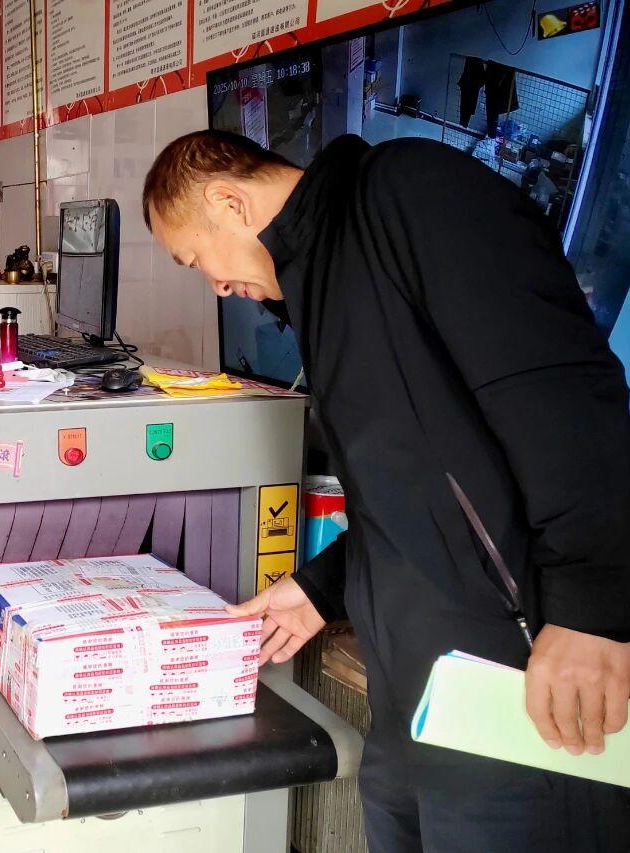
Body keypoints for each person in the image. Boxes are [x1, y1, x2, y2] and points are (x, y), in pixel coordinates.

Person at [142, 130, 630, 852]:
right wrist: (320, 588)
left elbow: (563, 402)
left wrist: (592, 611)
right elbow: (410, 490)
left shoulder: (410, 195)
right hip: (412, 697)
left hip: (514, 681)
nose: (214, 284)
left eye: (195, 258)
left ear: (229, 202)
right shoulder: (320, 285)